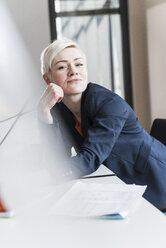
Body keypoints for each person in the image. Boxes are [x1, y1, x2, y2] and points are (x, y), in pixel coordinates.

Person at [38, 37, 166, 207]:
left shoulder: (108, 103)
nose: (73, 71)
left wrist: (43, 176)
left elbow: (89, 160)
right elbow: (57, 159)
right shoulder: (58, 108)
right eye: (62, 67)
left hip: (156, 181)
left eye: (79, 64)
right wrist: (43, 113)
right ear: (47, 79)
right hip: (120, 184)